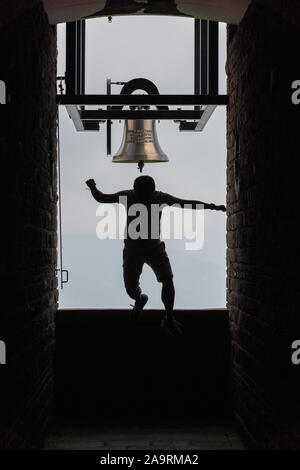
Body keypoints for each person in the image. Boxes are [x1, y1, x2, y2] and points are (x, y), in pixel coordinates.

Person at [86, 175, 226, 336]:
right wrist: (93, 188)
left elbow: (103, 198)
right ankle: (139, 300)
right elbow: (103, 198)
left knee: (167, 280)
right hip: (135, 250)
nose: (144, 197)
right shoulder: (150, 197)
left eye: (146, 194)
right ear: (136, 191)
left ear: (149, 191)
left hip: (152, 248)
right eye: (142, 195)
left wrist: (93, 187)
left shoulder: (140, 196)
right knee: (131, 289)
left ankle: (169, 317)